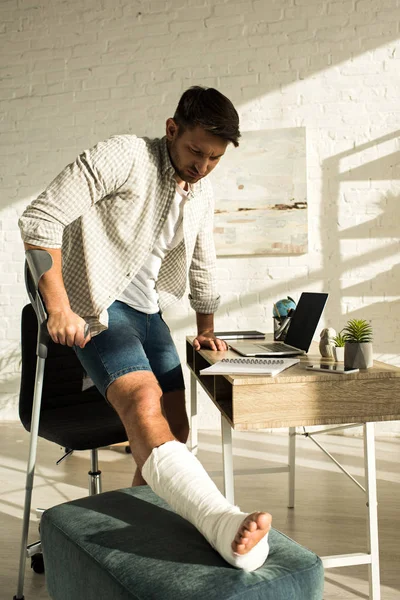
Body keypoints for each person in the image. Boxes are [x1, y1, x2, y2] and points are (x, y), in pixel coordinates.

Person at [18, 86, 271, 571]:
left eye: (214, 158)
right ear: (172, 129)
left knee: (177, 429)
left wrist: (206, 329)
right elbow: (41, 218)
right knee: (142, 401)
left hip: (149, 313)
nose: (202, 166)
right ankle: (219, 520)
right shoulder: (125, 155)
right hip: (98, 307)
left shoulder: (200, 190)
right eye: (196, 151)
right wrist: (59, 309)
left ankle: (135, 543)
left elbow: (202, 261)